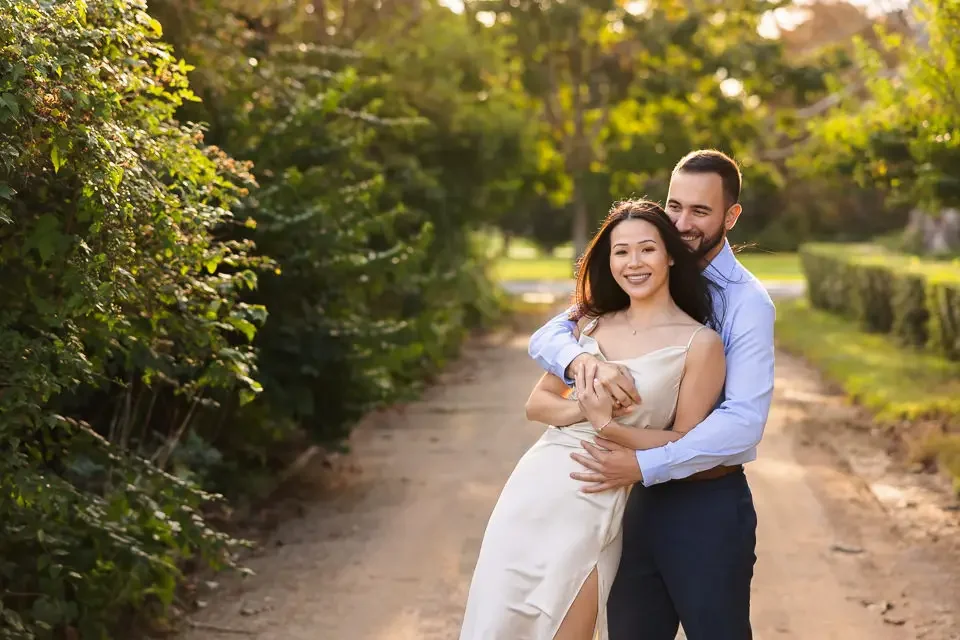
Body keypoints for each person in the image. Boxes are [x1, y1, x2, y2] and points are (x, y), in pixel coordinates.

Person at [528, 149, 776, 639]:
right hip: (632, 504)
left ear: (731, 216)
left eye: (700, 211)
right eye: (674, 206)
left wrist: (643, 465)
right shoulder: (643, 273)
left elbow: (744, 421)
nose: (681, 222)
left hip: (705, 504)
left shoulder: (747, 302)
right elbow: (552, 333)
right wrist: (580, 360)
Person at [459, 199, 727, 640]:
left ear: (671, 255)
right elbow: (537, 404)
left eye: (647, 249)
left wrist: (609, 427)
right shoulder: (590, 325)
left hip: (598, 495)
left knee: (568, 627)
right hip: (535, 488)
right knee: (500, 622)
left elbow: (684, 441)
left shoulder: (700, 344)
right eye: (621, 252)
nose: (633, 262)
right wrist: (587, 406)